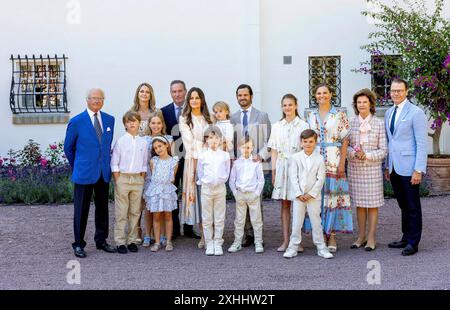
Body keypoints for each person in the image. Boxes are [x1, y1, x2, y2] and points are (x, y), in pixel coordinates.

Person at [64, 88, 116, 258]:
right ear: (87, 100)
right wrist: (78, 165)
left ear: (103, 100)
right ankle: (78, 244)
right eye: (93, 98)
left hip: (102, 172)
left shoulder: (109, 120)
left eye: (100, 98)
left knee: (103, 209)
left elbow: (106, 146)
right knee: (81, 210)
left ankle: (101, 241)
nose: (96, 101)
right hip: (84, 172)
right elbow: (68, 148)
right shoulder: (77, 121)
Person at [306, 84, 352, 252]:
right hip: (315, 160)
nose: (322, 96)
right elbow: (306, 140)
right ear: (315, 96)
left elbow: (346, 139)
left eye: (325, 92)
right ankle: (319, 234)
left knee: (332, 197)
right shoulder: (310, 115)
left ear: (331, 94)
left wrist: (342, 163)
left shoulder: (339, 114)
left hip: (334, 158)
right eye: (319, 93)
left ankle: (332, 234)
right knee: (317, 197)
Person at [384, 78, 427, 256]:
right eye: (393, 91)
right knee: (403, 204)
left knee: (412, 206)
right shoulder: (388, 112)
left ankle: (413, 242)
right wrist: (387, 166)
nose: (396, 93)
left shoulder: (416, 113)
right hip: (394, 167)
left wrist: (418, 169)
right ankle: (405, 236)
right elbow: (390, 141)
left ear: (407, 91)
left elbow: (422, 143)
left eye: (400, 90)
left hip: (410, 168)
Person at [230, 84, 271, 247]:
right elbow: (230, 142)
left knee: (256, 199)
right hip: (240, 166)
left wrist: (261, 156)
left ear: (251, 96)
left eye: (245, 95)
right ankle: (246, 234)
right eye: (239, 95)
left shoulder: (262, 116)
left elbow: (269, 140)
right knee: (241, 200)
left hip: (256, 164)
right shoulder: (232, 118)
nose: (242, 98)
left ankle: (257, 234)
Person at [268, 94, 309, 252]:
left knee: (299, 205)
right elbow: (274, 151)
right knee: (285, 205)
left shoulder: (303, 125)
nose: (287, 108)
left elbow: (307, 149)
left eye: (290, 105)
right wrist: (273, 172)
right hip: (282, 167)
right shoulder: (277, 126)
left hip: (299, 167)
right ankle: (285, 240)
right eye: (284, 105)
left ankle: (296, 241)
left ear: (296, 105)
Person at [283, 129, 333, 259]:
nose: (308, 144)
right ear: (301, 143)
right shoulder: (295, 158)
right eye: (305, 142)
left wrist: (311, 194)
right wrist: (299, 193)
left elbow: (320, 178)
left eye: (311, 142)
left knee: (316, 221)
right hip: (299, 196)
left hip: (313, 196)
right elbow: (293, 177)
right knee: (297, 222)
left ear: (315, 143)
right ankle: (293, 247)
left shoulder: (320, 158)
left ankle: (321, 247)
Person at [347, 89, 387, 251]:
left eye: (365, 102)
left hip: (372, 169)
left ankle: (371, 237)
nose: (362, 105)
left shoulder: (379, 123)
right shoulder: (350, 122)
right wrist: (353, 153)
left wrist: (367, 155)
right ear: (356, 105)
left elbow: (383, 150)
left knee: (372, 204)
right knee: (360, 204)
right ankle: (361, 236)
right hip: (355, 169)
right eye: (359, 102)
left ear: (370, 104)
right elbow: (346, 146)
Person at [161, 80, 200, 239]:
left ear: (185, 92)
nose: (177, 94)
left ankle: (189, 227)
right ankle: (175, 229)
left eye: (180, 91)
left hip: (190, 157)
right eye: (174, 92)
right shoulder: (164, 111)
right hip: (172, 158)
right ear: (171, 93)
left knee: (189, 191)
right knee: (173, 192)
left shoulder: (193, 110)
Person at [179, 87, 213, 248]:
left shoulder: (210, 118)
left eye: (197, 97)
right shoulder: (185, 119)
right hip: (193, 162)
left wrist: (209, 144)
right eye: (191, 98)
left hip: (210, 162)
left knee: (209, 196)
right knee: (199, 198)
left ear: (202, 100)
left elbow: (216, 138)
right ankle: (204, 235)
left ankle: (212, 233)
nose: (194, 100)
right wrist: (207, 144)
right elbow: (189, 144)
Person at [111, 111, 148, 254]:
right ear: (125, 124)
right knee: (121, 211)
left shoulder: (143, 142)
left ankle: (132, 240)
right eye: (129, 121)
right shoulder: (121, 141)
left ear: (139, 123)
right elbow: (114, 162)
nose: (132, 123)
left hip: (137, 179)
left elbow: (144, 161)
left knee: (135, 211)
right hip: (123, 178)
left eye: (135, 121)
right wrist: (118, 178)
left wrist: (142, 175)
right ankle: (120, 241)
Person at [141, 111, 174, 247]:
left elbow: (172, 158)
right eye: (153, 123)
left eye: (158, 123)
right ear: (149, 124)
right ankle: (148, 235)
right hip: (149, 176)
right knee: (150, 208)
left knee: (163, 208)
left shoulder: (168, 139)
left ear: (162, 124)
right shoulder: (144, 139)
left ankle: (163, 236)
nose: (156, 126)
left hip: (164, 177)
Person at [197, 126, 231, 256]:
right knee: (207, 218)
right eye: (211, 138)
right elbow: (200, 173)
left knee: (219, 217)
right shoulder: (203, 155)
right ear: (206, 140)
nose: (214, 140)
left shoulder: (225, 155)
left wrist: (221, 181)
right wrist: (206, 182)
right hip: (207, 189)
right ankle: (209, 242)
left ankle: (218, 242)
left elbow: (227, 171)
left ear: (221, 139)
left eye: (216, 137)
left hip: (220, 189)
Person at [228, 136, 265, 254]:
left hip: (253, 195)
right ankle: (237, 242)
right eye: (243, 147)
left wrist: (257, 193)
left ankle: (258, 242)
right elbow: (232, 180)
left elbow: (261, 180)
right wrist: (235, 193)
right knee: (239, 220)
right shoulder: (236, 163)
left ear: (252, 148)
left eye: (248, 147)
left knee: (256, 220)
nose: (246, 150)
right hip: (240, 195)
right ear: (239, 148)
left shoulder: (256, 163)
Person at [130, 82, 157, 244]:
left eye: (147, 92)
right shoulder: (132, 112)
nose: (144, 94)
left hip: (151, 158)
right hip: (136, 157)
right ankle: (136, 230)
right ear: (138, 94)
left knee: (149, 195)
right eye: (142, 91)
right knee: (137, 196)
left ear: (151, 94)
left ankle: (150, 231)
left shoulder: (156, 112)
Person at [143, 136, 179, 252]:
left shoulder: (174, 161)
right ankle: (157, 241)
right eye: (155, 148)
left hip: (167, 190)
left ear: (166, 145)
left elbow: (172, 178)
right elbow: (154, 176)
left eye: (160, 146)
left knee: (168, 216)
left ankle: (168, 241)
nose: (158, 149)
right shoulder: (154, 161)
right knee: (156, 216)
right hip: (156, 190)